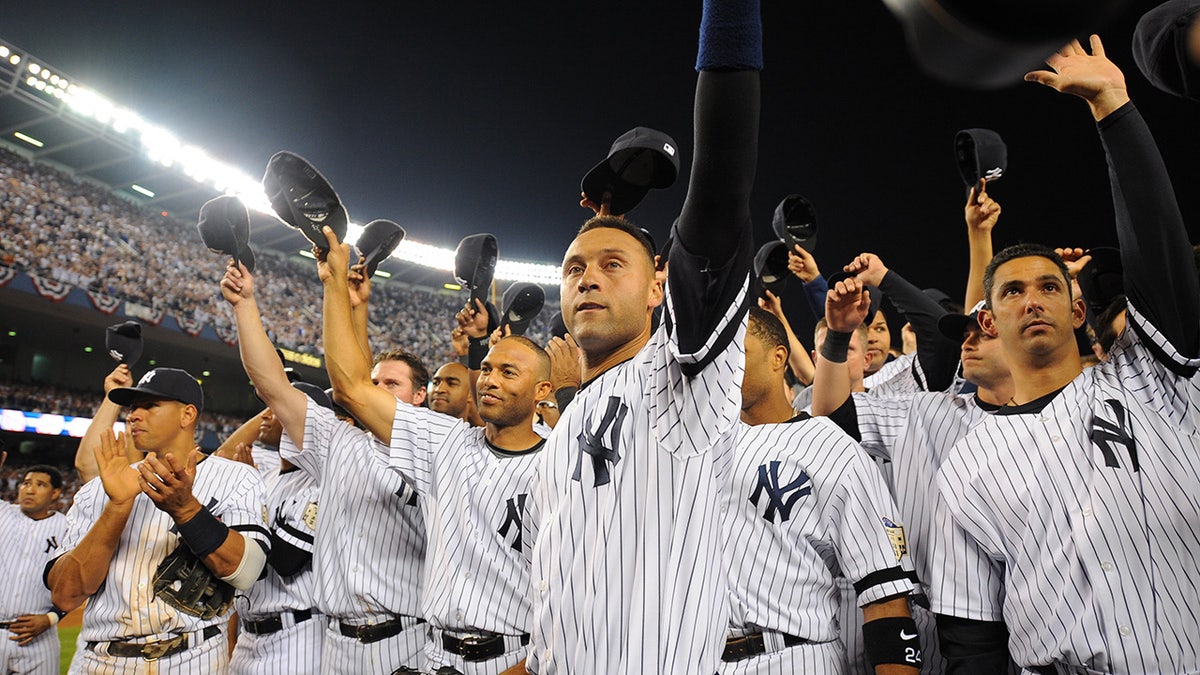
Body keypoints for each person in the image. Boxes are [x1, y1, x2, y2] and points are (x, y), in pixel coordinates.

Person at [935, 36, 1200, 673]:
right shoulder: (964, 464)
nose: (1033, 301)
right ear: (989, 320)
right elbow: (971, 638)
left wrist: (1114, 108)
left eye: (1050, 286)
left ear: (1078, 309)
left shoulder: (1147, 380)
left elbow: (1158, 253)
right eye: (1013, 292)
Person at [525, 0, 761, 670]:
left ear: (660, 285)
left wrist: (731, 15)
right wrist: (607, 223)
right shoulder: (570, 414)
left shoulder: (678, 374)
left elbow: (716, 194)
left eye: (611, 266)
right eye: (574, 269)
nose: (588, 280)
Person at [320, 231, 554, 673]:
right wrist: (335, 285)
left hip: (512, 659)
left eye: (508, 371)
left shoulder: (560, 465)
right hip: (431, 655)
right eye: (484, 369)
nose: (489, 380)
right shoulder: (446, 442)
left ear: (543, 390)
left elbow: (573, 605)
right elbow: (352, 388)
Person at [221, 259, 428, 674]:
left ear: (420, 395)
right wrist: (245, 304)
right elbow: (273, 387)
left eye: (393, 384)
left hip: (406, 641)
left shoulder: (438, 449)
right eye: (376, 382)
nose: (379, 390)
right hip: (333, 645)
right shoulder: (340, 445)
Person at [720, 308, 920, 674]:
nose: (724, 363)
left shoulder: (831, 445)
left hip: (794, 656)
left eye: (738, 350)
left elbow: (885, 596)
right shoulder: (702, 449)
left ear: (779, 357)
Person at [47, 367, 269, 674]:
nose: (135, 415)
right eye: (133, 407)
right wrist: (118, 507)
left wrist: (187, 510)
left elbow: (247, 571)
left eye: (150, 406)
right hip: (99, 661)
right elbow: (65, 594)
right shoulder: (100, 490)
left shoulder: (235, 477)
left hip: (192, 657)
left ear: (187, 414)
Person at [0, 461, 68, 675]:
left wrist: (52, 617)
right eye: (25, 483)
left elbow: (78, 582)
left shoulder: (68, 527)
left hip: (41, 636)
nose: (29, 489)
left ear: (55, 493)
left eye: (40, 484)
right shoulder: (2, 513)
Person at [429, 362, 483, 427]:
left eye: (451, 383)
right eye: (436, 383)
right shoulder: (416, 431)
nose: (438, 389)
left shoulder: (480, 436)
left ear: (470, 394)